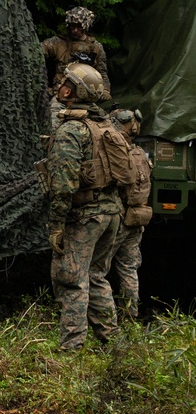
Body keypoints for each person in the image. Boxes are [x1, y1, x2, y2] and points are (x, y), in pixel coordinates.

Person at [46, 62, 123, 350]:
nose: (60, 85)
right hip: (111, 214)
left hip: (84, 217)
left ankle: (71, 349)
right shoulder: (106, 125)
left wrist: (56, 225)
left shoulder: (71, 130)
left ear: (77, 91)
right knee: (97, 276)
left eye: (67, 82)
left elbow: (62, 185)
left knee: (70, 279)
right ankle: (112, 344)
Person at [109, 108, 153, 320]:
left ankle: (104, 319)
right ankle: (129, 317)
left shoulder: (120, 154)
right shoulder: (141, 154)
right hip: (137, 219)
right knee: (128, 270)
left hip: (121, 218)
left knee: (96, 271)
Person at [42, 7, 111, 130]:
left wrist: (105, 90)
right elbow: (40, 50)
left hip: (86, 97)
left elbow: (102, 72)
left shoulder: (96, 47)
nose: (75, 30)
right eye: (72, 26)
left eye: (79, 27)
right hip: (61, 96)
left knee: (101, 123)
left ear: (86, 26)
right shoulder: (58, 43)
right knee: (53, 121)